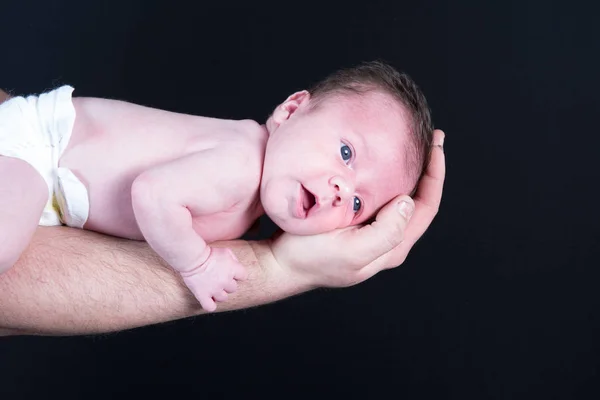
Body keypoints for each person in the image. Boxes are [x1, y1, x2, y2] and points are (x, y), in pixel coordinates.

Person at [0, 93, 445, 338]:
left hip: (51, 191)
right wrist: (197, 264)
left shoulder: (251, 206)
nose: (340, 188)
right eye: (346, 153)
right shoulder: (241, 163)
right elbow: (152, 194)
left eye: (357, 205)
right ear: (290, 111)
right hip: (40, 147)